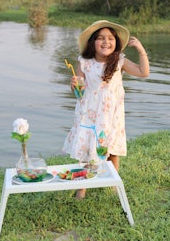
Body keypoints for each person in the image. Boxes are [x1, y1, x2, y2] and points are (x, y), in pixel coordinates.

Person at [62, 20, 150, 199]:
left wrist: (141, 50)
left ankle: (113, 183)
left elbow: (143, 72)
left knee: (112, 151)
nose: (106, 42)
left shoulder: (119, 61)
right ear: (92, 43)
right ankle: (82, 190)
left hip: (111, 116)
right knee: (88, 151)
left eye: (110, 38)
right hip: (89, 115)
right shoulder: (84, 63)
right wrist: (74, 85)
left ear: (116, 42)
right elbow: (79, 92)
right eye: (100, 38)